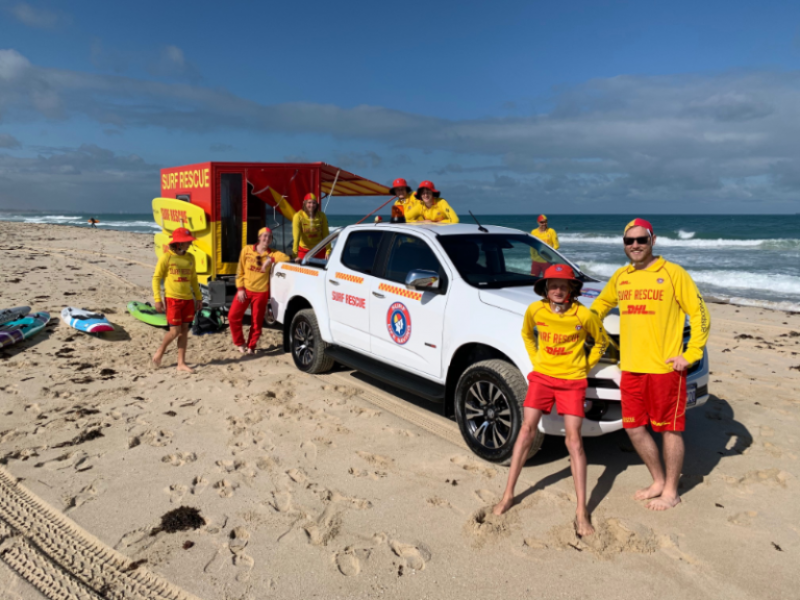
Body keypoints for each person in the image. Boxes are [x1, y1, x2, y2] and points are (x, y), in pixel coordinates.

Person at [591, 218, 710, 511]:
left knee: (669, 430)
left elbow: (700, 313)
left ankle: (671, 491)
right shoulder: (621, 276)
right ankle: (657, 480)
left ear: (652, 241)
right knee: (634, 428)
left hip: (665, 370)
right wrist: (580, 324)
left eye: (640, 240)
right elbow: (599, 306)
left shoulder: (672, 273)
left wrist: (692, 353)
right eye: (628, 241)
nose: (634, 245)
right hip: (630, 368)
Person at [493, 264, 608, 537]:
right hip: (542, 378)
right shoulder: (535, 310)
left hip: (572, 382)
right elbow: (526, 334)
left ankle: (581, 511)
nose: (557, 290)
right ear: (546, 288)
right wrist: (536, 361)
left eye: (563, 285)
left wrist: (585, 366)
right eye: (553, 285)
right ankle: (508, 494)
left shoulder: (584, 314)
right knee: (526, 430)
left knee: (574, 440)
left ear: (572, 289)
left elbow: (602, 342)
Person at [229, 227, 291, 354]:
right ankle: (240, 343)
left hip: (261, 293)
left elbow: (286, 258)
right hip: (245, 290)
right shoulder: (246, 250)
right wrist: (240, 289)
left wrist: (270, 260)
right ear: (259, 237)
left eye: (269, 237)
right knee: (232, 316)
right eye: (264, 236)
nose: (266, 238)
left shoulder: (272, 253)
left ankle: (251, 346)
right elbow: (239, 271)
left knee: (256, 322)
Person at [152, 227, 203, 372]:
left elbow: (194, 279)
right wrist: (157, 299)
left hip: (188, 300)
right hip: (172, 299)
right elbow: (156, 278)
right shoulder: (167, 257)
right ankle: (161, 350)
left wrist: (198, 298)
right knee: (174, 331)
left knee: (184, 331)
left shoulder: (190, 258)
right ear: (178, 243)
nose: (189, 244)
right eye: (186, 242)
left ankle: (181, 363)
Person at [292, 192, 330, 261]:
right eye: (309, 203)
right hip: (304, 251)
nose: (312, 205)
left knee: (320, 271)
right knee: (303, 271)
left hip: (319, 249)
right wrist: (295, 254)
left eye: (314, 203)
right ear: (304, 203)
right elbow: (296, 237)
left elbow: (326, 234)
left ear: (316, 204)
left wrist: (328, 250)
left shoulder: (322, 216)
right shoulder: (298, 216)